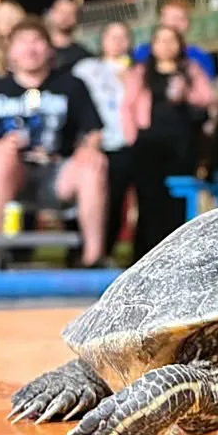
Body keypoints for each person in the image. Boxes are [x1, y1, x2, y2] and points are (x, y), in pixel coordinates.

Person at [0, 18, 107, 268]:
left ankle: (93, 257)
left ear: (49, 49)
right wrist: (2, 146)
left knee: (94, 163)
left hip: (58, 170)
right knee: (1, 157)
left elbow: (94, 130)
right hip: (15, 172)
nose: (30, 49)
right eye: (22, 42)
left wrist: (88, 149)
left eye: (37, 41)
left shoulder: (71, 85)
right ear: (11, 51)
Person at [122, 25, 215, 258]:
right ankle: (143, 253)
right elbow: (127, 106)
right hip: (148, 144)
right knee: (149, 198)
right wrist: (132, 137)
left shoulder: (190, 70)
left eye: (171, 40)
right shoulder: (142, 72)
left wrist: (186, 92)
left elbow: (207, 99)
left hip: (181, 145)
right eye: (160, 41)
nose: (166, 46)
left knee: (176, 199)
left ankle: (174, 252)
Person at [71, 21, 136, 260]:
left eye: (123, 37)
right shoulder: (86, 68)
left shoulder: (136, 72)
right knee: (88, 199)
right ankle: (80, 251)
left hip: (122, 144)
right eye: (112, 36)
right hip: (89, 144)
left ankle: (103, 251)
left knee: (115, 201)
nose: (118, 42)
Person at [131, 0, 216, 78]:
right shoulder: (142, 53)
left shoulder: (199, 56)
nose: (175, 23)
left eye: (181, 19)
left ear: (188, 23)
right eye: (172, 18)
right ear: (162, 20)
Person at [46, 0, 93, 72]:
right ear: (52, 14)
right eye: (61, 12)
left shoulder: (83, 55)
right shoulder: (38, 50)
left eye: (70, 13)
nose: (65, 17)